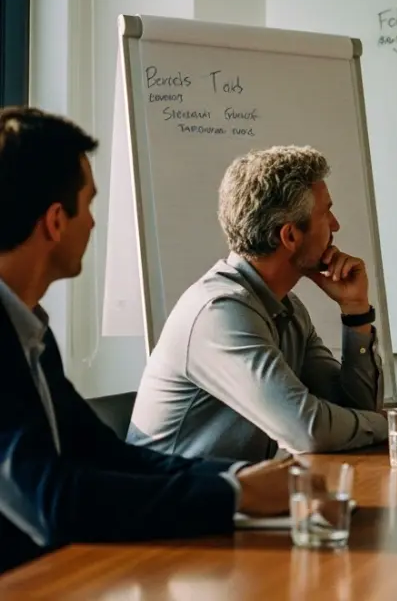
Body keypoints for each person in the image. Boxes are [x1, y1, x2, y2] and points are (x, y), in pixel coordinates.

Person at [0, 107, 295, 572]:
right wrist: (236, 494)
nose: (94, 224)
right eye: (90, 205)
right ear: (56, 221)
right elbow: (52, 501)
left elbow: (107, 455)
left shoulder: (28, 329)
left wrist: (240, 478)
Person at [128, 145, 388, 462]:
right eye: (326, 213)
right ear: (290, 236)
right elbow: (308, 429)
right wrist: (390, 425)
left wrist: (355, 310)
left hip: (232, 499)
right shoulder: (220, 312)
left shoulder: (288, 308)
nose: (335, 225)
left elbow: (354, 412)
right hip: (172, 506)